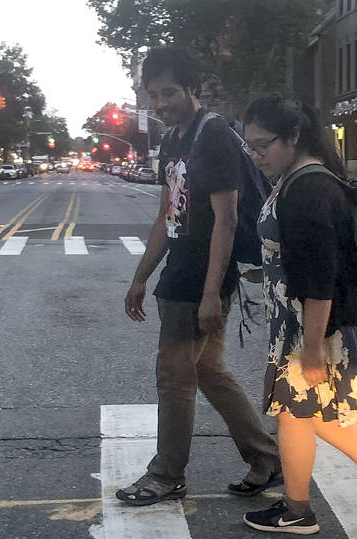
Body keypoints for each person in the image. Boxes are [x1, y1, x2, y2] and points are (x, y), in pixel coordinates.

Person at [239, 94, 357, 535]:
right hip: (299, 320)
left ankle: (298, 510)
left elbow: (319, 278)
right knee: (304, 412)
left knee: (295, 412)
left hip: (312, 326)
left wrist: (313, 350)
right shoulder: (297, 179)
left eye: (263, 145)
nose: (256, 155)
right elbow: (305, 257)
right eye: (250, 146)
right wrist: (271, 270)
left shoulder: (310, 187)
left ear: (294, 137)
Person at [117, 47, 282, 506]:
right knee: (208, 370)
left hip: (200, 276)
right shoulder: (173, 139)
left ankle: (166, 475)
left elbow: (226, 219)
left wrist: (214, 291)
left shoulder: (213, 137)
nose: (160, 102)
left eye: (169, 92)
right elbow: (167, 215)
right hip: (180, 270)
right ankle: (266, 458)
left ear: (192, 87)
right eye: (153, 95)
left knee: (174, 377)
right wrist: (140, 276)